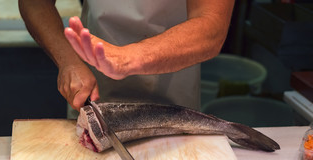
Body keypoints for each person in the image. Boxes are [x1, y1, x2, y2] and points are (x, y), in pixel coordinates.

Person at [19, 0, 235, 115]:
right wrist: (68, 60)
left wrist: (127, 59)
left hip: (174, 92)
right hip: (93, 90)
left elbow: (212, 26)